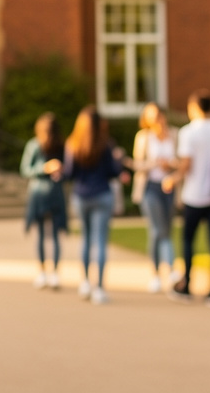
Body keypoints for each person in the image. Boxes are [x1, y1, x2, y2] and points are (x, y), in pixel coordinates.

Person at [163, 89, 210, 308]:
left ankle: (187, 286)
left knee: (188, 241)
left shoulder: (189, 132)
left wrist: (173, 177)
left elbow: (186, 164)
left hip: (194, 195)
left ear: (195, 108)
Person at [65, 105, 127, 305]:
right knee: (100, 242)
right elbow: (113, 171)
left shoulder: (73, 144)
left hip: (81, 196)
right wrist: (118, 162)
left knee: (85, 239)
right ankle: (99, 287)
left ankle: (84, 282)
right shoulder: (105, 145)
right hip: (102, 195)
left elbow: (69, 173)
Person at [129, 102, 179, 293]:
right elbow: (137, 164)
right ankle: (163, 271)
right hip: (149, 188)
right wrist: (154, 164)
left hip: (169, 187)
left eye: (158, 115)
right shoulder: (143, 138)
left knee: (167, 229)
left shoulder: (174, 135)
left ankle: (167, 271)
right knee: (157, 230)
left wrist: (170, 164)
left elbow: (182, 161)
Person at [20, 112, 68, 289]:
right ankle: (42, 271)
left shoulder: (61, 146)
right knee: (40, 235)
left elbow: (69, 171)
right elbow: (25, 169)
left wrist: (60, 171)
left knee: (55, 235)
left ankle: (54, 272)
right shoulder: (34, 145)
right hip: (38, 194)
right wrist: (44, 168)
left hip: (55, 193)